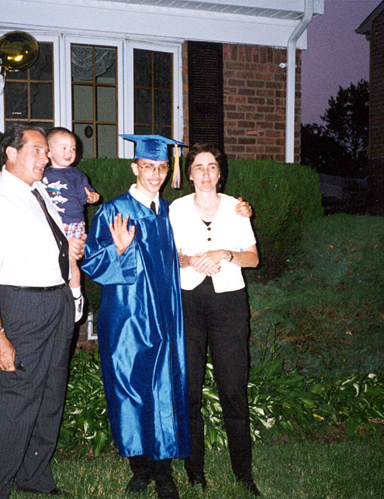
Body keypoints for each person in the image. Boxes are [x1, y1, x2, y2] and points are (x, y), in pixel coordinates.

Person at [0, 124, 85, 498]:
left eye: (45, 152)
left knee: (51, 396)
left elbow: (50, 243)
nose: (46, 157)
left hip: (56, 303)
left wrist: (71, 254)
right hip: (22, 307)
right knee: (15, 403)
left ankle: (33, 476)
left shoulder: (37, 192)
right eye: (37, 150)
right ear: (11, 154)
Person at [81, 135, 189, 499]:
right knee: (128, 388)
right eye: (148, 167)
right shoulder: (114, 211)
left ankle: (164, 473)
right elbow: (93, 263)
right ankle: (140, 468)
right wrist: (120, 250)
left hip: (166, 314)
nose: (155, 175)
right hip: (127, 317)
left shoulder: (170, 212)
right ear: (135, 168)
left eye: (161, 168)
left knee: (161, 388)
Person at [168, 142, 261, 496]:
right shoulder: (175, 209)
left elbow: (252, 258)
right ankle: (195, 473)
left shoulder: (237, 208)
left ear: (219, 173)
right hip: (188, 302)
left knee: (234, 390)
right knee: (189, 390)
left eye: (212, 167)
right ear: (189, 174)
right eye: (199, 167)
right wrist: (192, 260)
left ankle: (244, 474)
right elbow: (168, 256)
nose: (205, 174)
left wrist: (224, 253)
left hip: (229, 305)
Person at [40, 126, 100, 322]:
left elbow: (86, 195)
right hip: (49, 226)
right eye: (63, 148)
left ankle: (76, 296)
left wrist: (92, 196)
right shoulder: (41, 174)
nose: (69, 153)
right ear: (48, 152)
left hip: (72, 224)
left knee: (71, 260)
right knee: (50, 260)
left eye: (73, 149)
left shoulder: (76, 175)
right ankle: (51, 297)